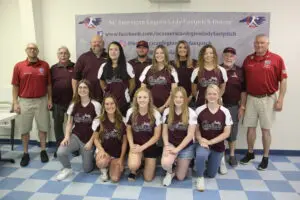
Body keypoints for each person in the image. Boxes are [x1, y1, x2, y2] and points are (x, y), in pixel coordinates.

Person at [240, 34, 288, 170]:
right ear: (254, 44)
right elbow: (243, 84)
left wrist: (281, 99)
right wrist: (243, 104)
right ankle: (250, 153)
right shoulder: (248, 59)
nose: (259, 45)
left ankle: (265, 157)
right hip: (251, 98)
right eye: (257, 43)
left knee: (266, 129)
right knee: (250, 128)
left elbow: (283, 80)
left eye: (262, 43)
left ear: (268, 44)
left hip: (268, 98)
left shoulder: (276, 59)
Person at [11, 43, 52, 167]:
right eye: (30, 48)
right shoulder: (19, 66)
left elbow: (49, 85)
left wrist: (50, 100)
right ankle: (25, 153)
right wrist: (15, 102)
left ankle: (43, 150)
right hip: (24, 102)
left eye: (34, 49)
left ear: (37, 51)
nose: (32, 50)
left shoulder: (45, 66)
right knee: (24, 129)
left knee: (43, 127)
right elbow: (15, 85)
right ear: (26, 51)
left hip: (41, 100)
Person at [56, 80, 101, 181]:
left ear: (89, 90)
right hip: (76, 136)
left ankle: (92, 156)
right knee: (60, 152)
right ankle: (67, 169)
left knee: (87, 169)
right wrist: (67, 137)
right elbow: (69, 123)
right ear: (77, 90)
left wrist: (91, 142)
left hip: (90, 139)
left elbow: (98, 127)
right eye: (80, 88)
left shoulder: (96, 105)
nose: (82, 90)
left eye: (85, 87)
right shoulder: (73, 105)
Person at [194, 84, 233, 191]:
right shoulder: (199, 110)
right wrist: (200, 139)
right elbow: (196, 129)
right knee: (201, 155)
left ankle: (220, 160)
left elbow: (226, 133)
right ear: (206, 96)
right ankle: (200, 177)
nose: (212, 96)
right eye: (209, 94)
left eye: (214, 94)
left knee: (211, 174)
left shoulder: (225, 111)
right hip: (203, 144)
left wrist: (210, 142)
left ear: (219, 95)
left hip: (217, 146)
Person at [161, 87, 197, 186]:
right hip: (171, 143)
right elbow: (164, 132)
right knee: (165, 163)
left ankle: (178, 162)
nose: (178, 99)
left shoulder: (191, 113)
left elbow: (190, 135)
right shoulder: (167, 112)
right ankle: (170, 171)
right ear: (172, 98)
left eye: (181, 97)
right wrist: (167, 145)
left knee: (180, 177)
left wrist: (177, 150)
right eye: (176, 97)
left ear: (185, 99)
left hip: (186, 147)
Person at [125, 87, 162, 182]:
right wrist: (131, 144)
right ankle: (135, 169)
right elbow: (128, 130)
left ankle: (144, 162)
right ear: (136, 99)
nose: (142, 100)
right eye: (139, 97)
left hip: (149, 146)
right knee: (133, 165)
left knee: (148, 178)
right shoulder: (130, 112)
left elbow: (157, 136)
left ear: (149, 99)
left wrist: (143, 148)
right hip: (136, 145)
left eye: (145, 97)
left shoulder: (156, 114)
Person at [219, 47, 246, 168]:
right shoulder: (217, 69)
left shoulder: (240, 71)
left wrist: (242, 107)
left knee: (233, 132)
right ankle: (219, 155)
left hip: (234, 106)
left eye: (231, 56)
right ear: (223, 56)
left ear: (235, 57)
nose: (228, 58)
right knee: (217, 130)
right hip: (218, 106)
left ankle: (232, 154)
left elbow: (244, 91)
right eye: (226, 55)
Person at [94, 95, 127, 182]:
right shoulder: (99, 120)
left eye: (112, 103)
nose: (110, 106)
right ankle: (104, 169)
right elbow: (95, 139)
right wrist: (101, 150)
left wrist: (121, 158)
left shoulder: (123, 120)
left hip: (116, 154)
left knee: (115, 179)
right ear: (104, 106)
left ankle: (112, 164)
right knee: (101, 163)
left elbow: (124, 142)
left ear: (116, 105)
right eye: (107, 104)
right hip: (105, 152)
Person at [98, 41, 135, 116]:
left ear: (120, 52)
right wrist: (106, 91)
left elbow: (132, 84)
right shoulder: (103, 66)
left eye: (116, 49)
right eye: (111, 49)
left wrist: (127, 94)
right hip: (109, 104)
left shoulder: (127, 66)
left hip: (123, 103)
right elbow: (101, 81)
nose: (113, 52)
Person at [51, 46, 75, 157]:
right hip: (57, 102)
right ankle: (59, 146)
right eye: (61, 53)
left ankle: (74, 146)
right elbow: (49, 86)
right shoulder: (53, 68)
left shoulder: (75, 67)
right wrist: (49, 100)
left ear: (69, 55)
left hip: (72, 101)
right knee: (58, 125)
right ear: (58, 55)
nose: (63, 55)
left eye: (65, 53)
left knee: (74, 124)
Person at [139, 45, 178, 113]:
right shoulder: (147, 69)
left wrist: (164, 106)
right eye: (157, 53)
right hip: (149, 107)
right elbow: (142, 90)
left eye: (162, 53)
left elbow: (174, 92)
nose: (159, 55)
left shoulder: (171, 70)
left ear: (165, 55)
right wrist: (151, 106)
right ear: (154, 55)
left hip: (167, 108)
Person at [72, 35, 107, 103]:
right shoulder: (83, 57)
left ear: (103, 44)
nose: (96, 44)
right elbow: (75, 78)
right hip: (86, 97)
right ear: (90, 44)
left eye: (99, 42)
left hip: (105, 97)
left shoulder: (109, 57)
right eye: (94, 42)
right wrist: (75, 94)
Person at [170, 40, 197, 105]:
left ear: (188, 50)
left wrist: (191, 96)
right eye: (180, 47)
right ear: (177, 50)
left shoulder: (195, 63)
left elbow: (197, 82)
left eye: (185, 47)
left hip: (191, 100)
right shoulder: (171, 64)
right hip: (176, 99)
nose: (182, 49)